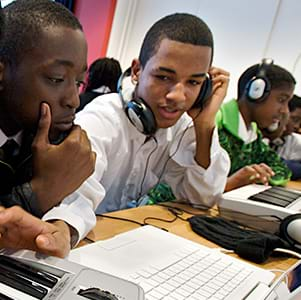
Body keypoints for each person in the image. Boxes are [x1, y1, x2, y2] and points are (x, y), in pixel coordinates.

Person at [74, 13, 231, 214]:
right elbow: (71, 202)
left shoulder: (185, 126)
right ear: (137, 71)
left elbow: (202, 199)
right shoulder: (102, 119)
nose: (178, 96)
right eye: (164, 77)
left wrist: (204, 127)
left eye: (193, 82)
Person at [0, 0, 96, 257]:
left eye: (78, 82)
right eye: (56, 79)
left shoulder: (52, 133)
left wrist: (63, 224)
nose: (73, 100)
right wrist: (41, 192)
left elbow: (82, 195)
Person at [216, 59, 296, 192]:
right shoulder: (215, 121)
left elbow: (282, 169)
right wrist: (231, 183)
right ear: (256, 92)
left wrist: (260, 176)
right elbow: (184, 183)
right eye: (281, 100)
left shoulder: (253, 134)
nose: (285, 111)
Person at [263, 95, 301, 180]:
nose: (297, 126)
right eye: (295, 119)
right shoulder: (261, 136)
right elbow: (273, 164)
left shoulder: (294, 140)